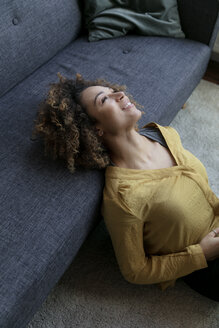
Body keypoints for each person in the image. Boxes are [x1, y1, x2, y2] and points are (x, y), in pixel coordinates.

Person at [32, 73, 219, 301]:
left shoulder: (164, 134)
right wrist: (201, 254)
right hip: (207, 265)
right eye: (104, 99)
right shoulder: (123, 196)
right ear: (95, 129)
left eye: (113, 92)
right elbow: (135, 270)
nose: (121, 94)